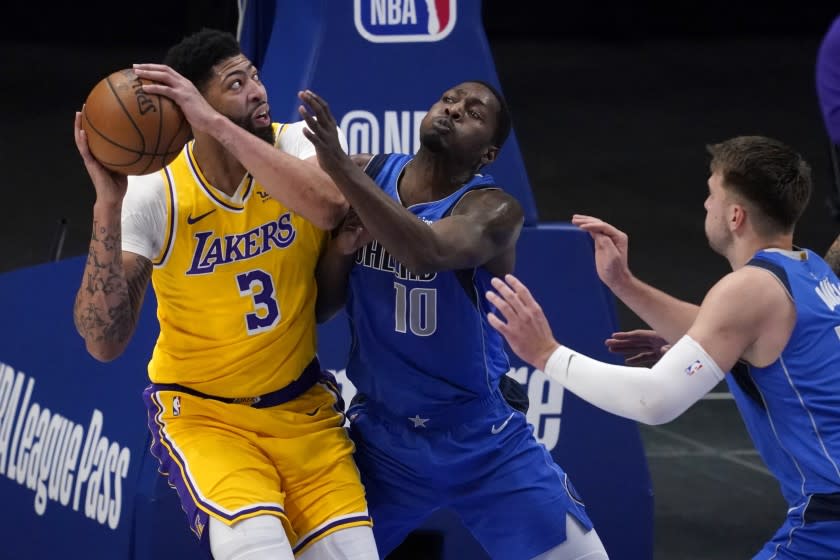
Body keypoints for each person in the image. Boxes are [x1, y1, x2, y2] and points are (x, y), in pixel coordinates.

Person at [72, 28, 378, 560]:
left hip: (302, 409)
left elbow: (330, 206)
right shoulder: (157, 190)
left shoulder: (296, 144)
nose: (258, 91)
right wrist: (107, 205)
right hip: (206, 416)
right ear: (190, 106)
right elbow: (103, 341)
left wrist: (212, 119)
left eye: (254, 77)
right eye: (235, 84)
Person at [486, 135, 840, 559]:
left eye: (711, 194)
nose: (705, 205)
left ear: (735, 215)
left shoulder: (749, 288)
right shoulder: (808, 271)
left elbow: (654, 400)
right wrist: (624, 284)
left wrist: (545, 353)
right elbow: (730, 332)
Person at [297, 83, 608, 560]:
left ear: (488, 152)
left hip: (481, 441)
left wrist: (336, 167)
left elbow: (427, 252)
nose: (455, 108)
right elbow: (320, 308)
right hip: (382, 441)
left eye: (473, 111)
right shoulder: (367, 172)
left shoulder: (495, 209)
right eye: (450, 98)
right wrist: (339, 253)